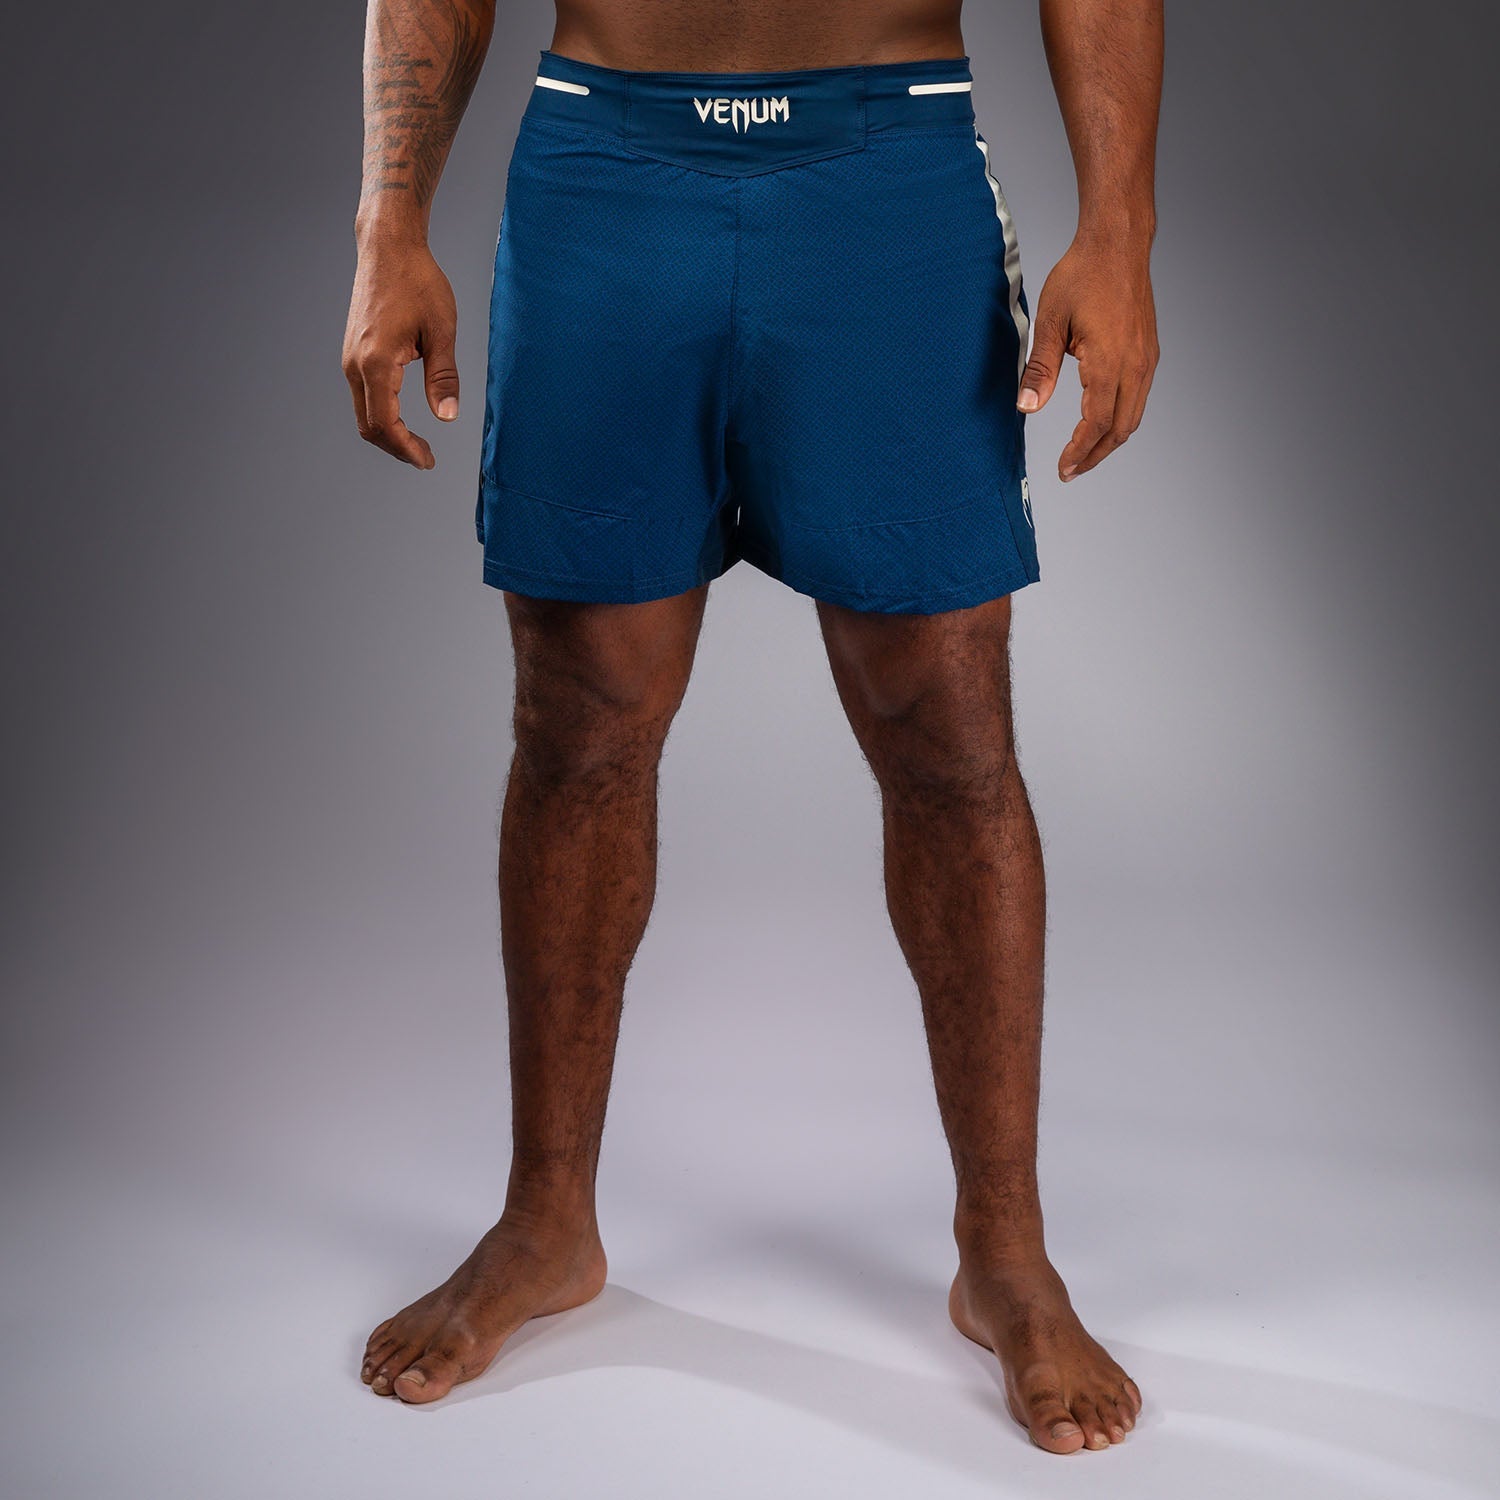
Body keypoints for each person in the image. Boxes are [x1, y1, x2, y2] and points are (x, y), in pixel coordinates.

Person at [342, 0, 1160, 1455]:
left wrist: (1121, 227)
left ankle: (1006, 1249)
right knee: (580, 716)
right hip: (605, 169)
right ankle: (546, 1219)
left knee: (949, 724)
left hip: (885, 168)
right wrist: (385, 221)